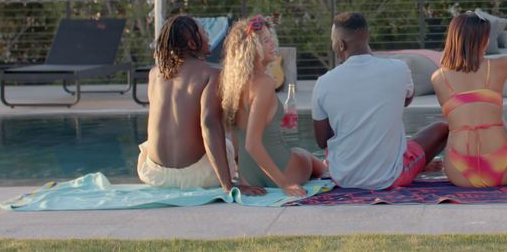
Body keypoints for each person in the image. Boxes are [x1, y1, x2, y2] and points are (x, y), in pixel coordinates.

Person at [312, 12, 448, 190]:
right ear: (367, 37)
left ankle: (413, 163)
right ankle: (417, 164)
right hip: (390, 177)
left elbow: (322, 141)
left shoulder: (323, 83)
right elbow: (404, 102)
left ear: (340, 44)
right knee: (443, 128)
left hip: (343, 177)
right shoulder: (399, 69)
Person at [138, 15, 262, 195]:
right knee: (227, 143)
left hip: (154, 175)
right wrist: (227, 185)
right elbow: (209, 126)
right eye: (204, 32)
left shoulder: (154, 74)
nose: (208, 36)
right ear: (192, 43)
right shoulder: (212, 74)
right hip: (196, 178)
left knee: (150, 144)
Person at [431, 12, 507, 188]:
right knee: (506, 123)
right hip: (504, 168)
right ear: (484, 41)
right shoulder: (497, 67)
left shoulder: (438, 78)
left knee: (453, 125)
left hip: (460, 172)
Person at [220, 15, 326, 197]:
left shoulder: (232, 85)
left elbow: (237, 136)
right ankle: (329, 172)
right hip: (281, 170)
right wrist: (285, 185)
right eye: (265, 41)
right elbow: (252, 144)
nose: (272, 45)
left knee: (298, 153)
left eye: (271, 39)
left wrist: (241, 171)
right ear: (251, 48)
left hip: (248, 175)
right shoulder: (265, 83)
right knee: (305, 155)